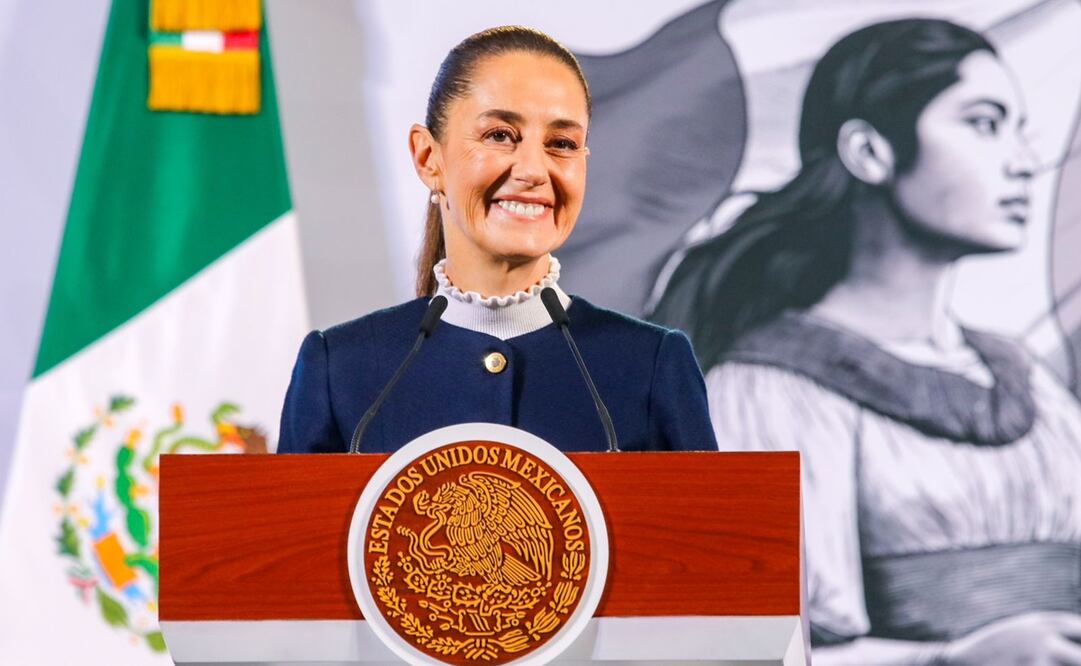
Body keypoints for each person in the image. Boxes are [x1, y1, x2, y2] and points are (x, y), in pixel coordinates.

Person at [652, 18, 1081, 665]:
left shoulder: (1029, 384)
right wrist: (946, 661)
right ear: (868, 152)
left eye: (1019, 129)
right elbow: (730, 650)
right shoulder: (759, 390)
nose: (1022, 161)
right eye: (984, 123)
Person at [279, 26, 716, 455]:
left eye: (561, 143)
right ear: (429, 158)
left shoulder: (653, 365)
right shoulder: (340, 369)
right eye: (500, 136)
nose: (533, 170)